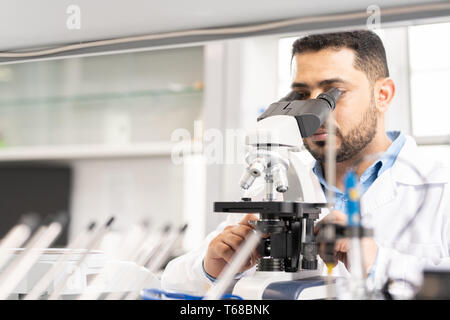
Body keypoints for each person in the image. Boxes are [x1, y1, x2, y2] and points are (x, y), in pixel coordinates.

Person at [161, 30, 450, 296]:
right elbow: (171, 281)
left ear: (382, 95)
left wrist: (378, 262)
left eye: (332, 94)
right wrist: (211, 268)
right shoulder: (279, 186)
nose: (314, 112)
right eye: (301, 95)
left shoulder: (441, 190)